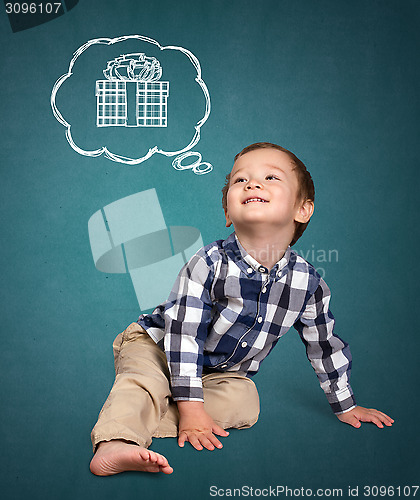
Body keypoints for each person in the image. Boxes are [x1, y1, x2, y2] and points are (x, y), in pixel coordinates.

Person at [89, 142, 394, 476]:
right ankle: (116, 441)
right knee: (144, 379)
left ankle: (145, 412)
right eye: (240, 180)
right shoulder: (208, 262)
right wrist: (190, 408)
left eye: (270, 177)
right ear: (227, 212)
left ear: (302, 210)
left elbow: (324, 345)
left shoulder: (307, 283)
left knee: (245, 402)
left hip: (218, 374)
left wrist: (345, 406)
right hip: (158, 345)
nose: (252, 184)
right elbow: (183, 335)